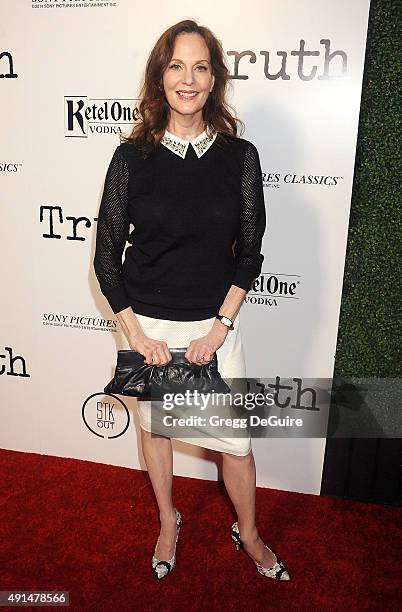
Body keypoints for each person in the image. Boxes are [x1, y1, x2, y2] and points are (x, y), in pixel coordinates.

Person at [93, 19, 290, 581]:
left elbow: (249, 252)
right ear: (160, 76)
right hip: (148, 326)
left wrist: (220, 328)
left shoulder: (240, 158)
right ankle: (167, 520)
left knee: (236, 442)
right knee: (156, 430)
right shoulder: (131, 159)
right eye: (176, 65)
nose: (188, 78)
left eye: (200, 66)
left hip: (215, 326)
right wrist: (136, 334)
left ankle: (248, 532)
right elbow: (107, 257)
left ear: (214, 80)